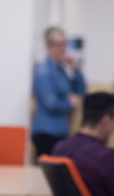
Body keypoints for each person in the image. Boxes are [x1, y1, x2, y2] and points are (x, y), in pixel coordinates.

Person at [32, 26, 86, 156]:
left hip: (61, 130)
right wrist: (69, 102)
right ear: (48, 46)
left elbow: (80, 90)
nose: (63, 48)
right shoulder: (43, 72)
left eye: (64, 44)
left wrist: (75, 69)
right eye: (58, 45)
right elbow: (51, 103)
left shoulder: (62, 69)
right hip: (45, 131)